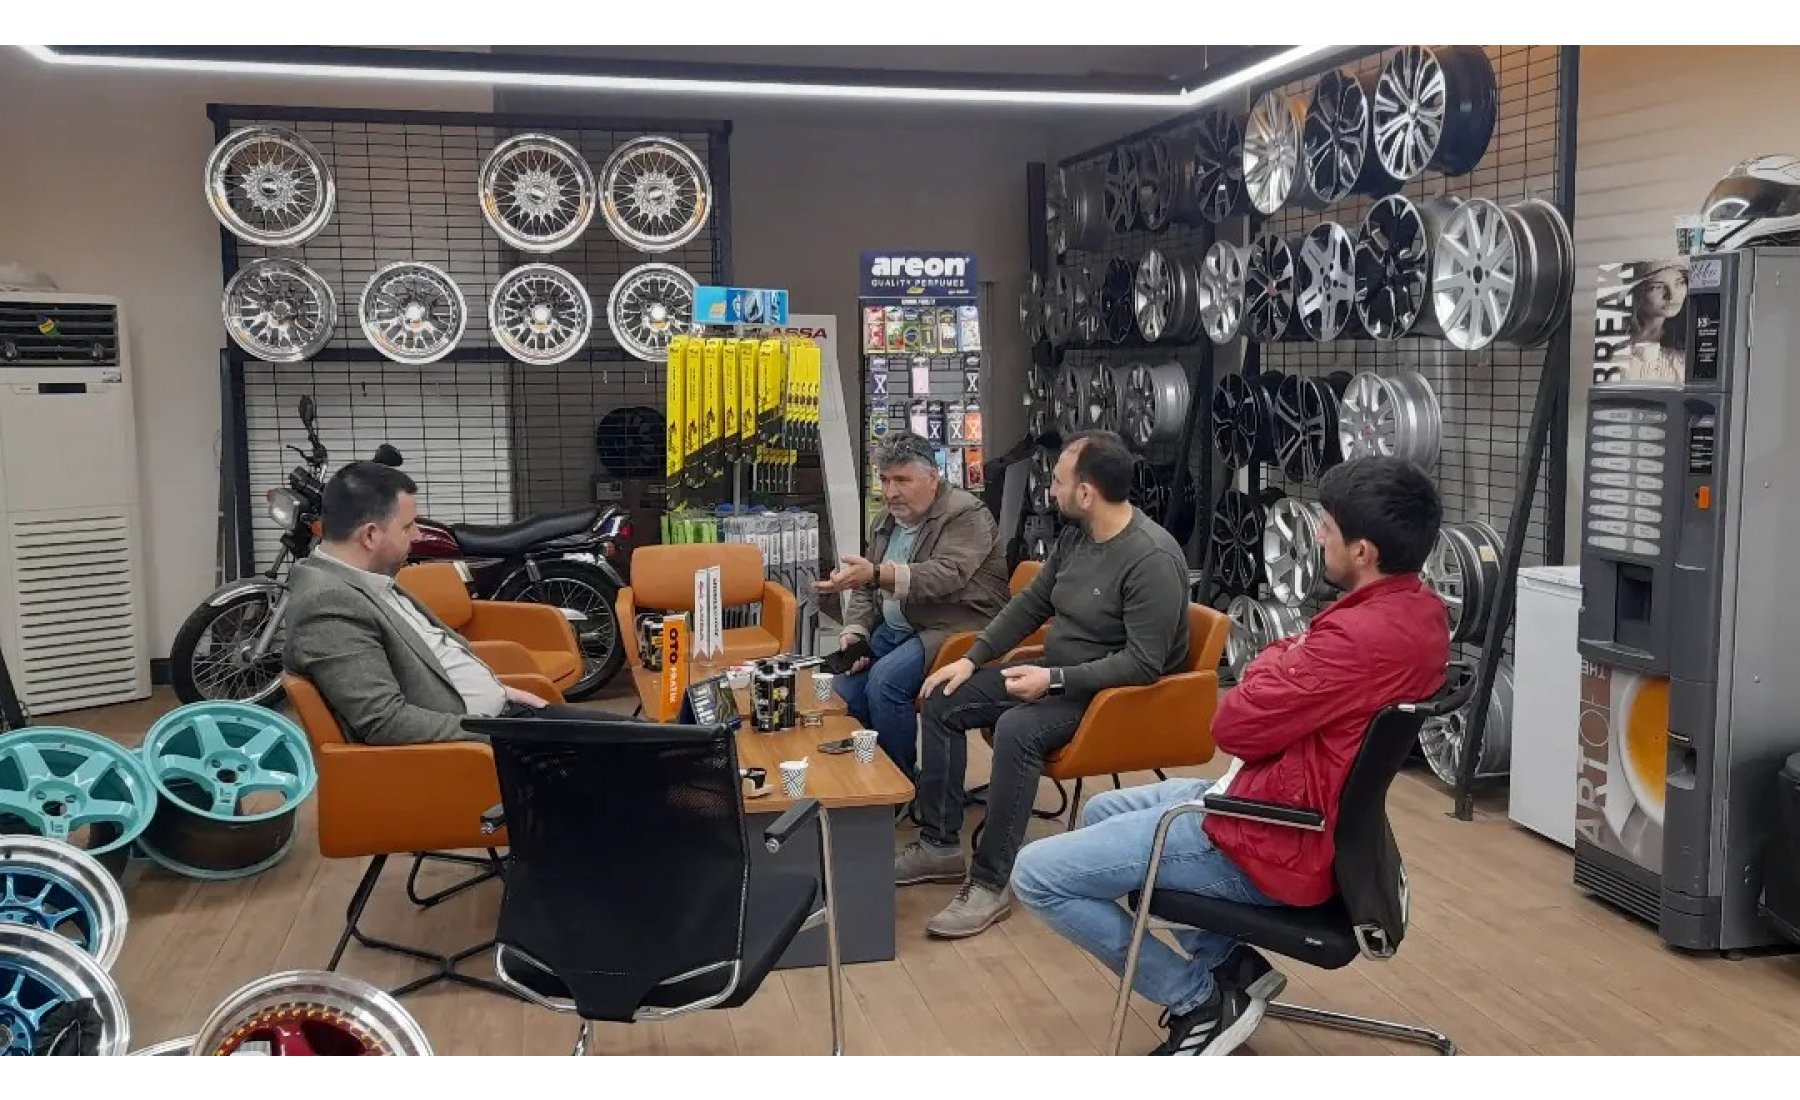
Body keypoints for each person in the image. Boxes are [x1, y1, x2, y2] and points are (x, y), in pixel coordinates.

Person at [1010, 455, 1448, 1056]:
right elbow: (1279, 672)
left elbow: (1233, 723)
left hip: (1272, 834)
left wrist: (1275, 664)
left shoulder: (1353, 640)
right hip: (1288, 799)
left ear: (1363, 551)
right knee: (1101, 811)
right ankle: (1231, 965)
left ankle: (1199, 1000)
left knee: (1037, 875)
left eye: (1326, 527)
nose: (1317, 537)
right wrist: (1282, 662)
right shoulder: (1418, 611)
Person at [898, 430, 1191, 940]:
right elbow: (1031, 604)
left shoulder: (1152, 559)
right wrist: (971, 659)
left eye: (1057, 482)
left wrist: (1054, 679)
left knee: (1018, 729)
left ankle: (990, 883)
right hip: (1056, 675)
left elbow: (1143, 665)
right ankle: (939, 845)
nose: (1050, 490)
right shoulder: (1077, 538)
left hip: (1110, 698)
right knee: (943, 697)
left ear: (1086, 493)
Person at [285, 461, 580, 746]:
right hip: (478, 745)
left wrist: (501, 692)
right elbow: (385, 722)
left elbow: (432, 666)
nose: (417, 534)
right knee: (607, 749)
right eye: (408, 526)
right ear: (370, 535)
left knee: (609, 736)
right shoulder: (328, 605)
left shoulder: (366, 580)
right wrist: (505, 734)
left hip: (502, 716)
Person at [816, 432, 1009, 777]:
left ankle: (901, 782)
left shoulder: (966, 514)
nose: (890, 492)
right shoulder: (884, 521)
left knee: (885, 683)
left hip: (956, 626)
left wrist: (877, 573)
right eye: (885, 480)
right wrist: (855, 631)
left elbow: (946, 575)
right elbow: (866, 586)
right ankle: (869, 779)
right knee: (844, 691)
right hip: (899, 627)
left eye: (902, 480)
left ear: (933, 478)